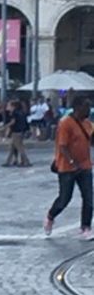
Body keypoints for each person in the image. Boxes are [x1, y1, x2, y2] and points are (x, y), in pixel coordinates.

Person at [44, 95, 93, 240]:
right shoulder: (65, 123)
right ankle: (51, 215)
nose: (89, 110)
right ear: (78, 107)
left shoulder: (88, 124)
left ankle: (86, 227)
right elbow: (63, 146)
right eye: (86, 106)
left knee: (89, 197)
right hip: (67, 167)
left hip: (85, 166)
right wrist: (72, 162)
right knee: (65, 198)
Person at [3, 100, 32, 167]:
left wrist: (6, 126)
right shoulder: (21, 112)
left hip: (16, 132)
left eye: (9, 105)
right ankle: (10, 161)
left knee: (19, 148)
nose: (7, 107)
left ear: (13, 106)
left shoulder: (14, 113)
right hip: (21, 131)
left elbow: (13, 122)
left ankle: (26, 161)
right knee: (12, 148)